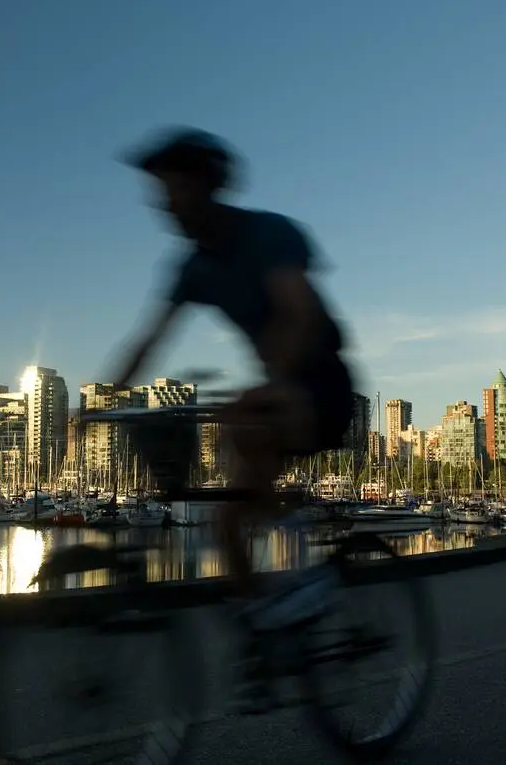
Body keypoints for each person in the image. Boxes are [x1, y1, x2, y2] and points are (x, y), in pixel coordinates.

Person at [109, 127, 355, 704]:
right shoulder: (191, 268)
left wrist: (272, 385)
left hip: (322, 383)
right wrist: (103, 399)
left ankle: (311, 572)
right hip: (275, 387)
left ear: (206, 187)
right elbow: (150, 339)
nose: (163, 205)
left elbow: (299, 314)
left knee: (242, 427)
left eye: (172, 190)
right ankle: (267, 627)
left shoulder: (269, 234)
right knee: (225, 521)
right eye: (158, 194)